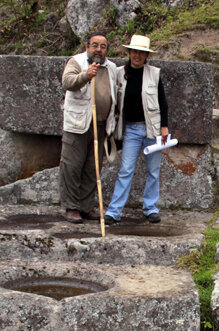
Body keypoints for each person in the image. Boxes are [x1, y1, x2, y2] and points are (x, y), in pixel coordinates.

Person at [104, 34, 169, 225]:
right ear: (129, 52)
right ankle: (114, 211)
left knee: (153, 171)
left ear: (146, 55)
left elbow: (162, 102)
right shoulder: (118, 73)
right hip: (131, 129)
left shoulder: (154, 74)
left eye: (141, 52)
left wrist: (164, 127)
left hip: (152, 130)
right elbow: (113, 102)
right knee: (126, 169)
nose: (137, 55)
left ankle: (151, 208)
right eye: (134, 51)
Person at [59, 32, 118, 224]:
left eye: (103, 46)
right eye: (95, 45)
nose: (99, 50)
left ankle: (86, 207)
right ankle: (71, 207)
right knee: (72, 166)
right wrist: (85, 76)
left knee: (93, 169)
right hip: (78, 124)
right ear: (87, 47)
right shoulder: (76, 62)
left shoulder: (112, 68)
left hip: (100, 125)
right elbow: (67, 82)